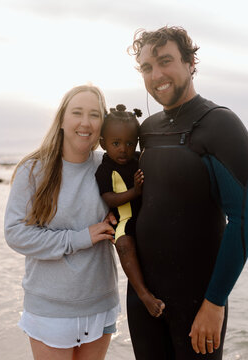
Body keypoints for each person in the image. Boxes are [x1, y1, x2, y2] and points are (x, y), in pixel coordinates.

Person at [126, 26, 248, 359]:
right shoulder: (147, 130)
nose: (156, 74)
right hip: (144, 300)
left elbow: (244, 221)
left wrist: (214, 304)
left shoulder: (221, 125)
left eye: (165, 61)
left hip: (199, 300)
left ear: (190, 63)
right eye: (147, 67)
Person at [4, 85, 120, 360]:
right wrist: (81, 237)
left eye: (94, 115)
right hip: (50, 308)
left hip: (101, 302)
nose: (85, 122)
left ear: (102, 124)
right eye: (77, 113)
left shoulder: (109, 167)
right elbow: (16, 234)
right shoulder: (33, 169)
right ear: (62, 119)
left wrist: (120, 220)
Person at [95, 104, 165, 318]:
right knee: (124, 244)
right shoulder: (105, 168)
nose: (123, 149)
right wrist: (135, 191)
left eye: (129, 143)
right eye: (116, 143)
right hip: (125, 219)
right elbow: (109, 198)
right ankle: (143, 294)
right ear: (103, 143)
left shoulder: (139, 160)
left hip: (146, 217)